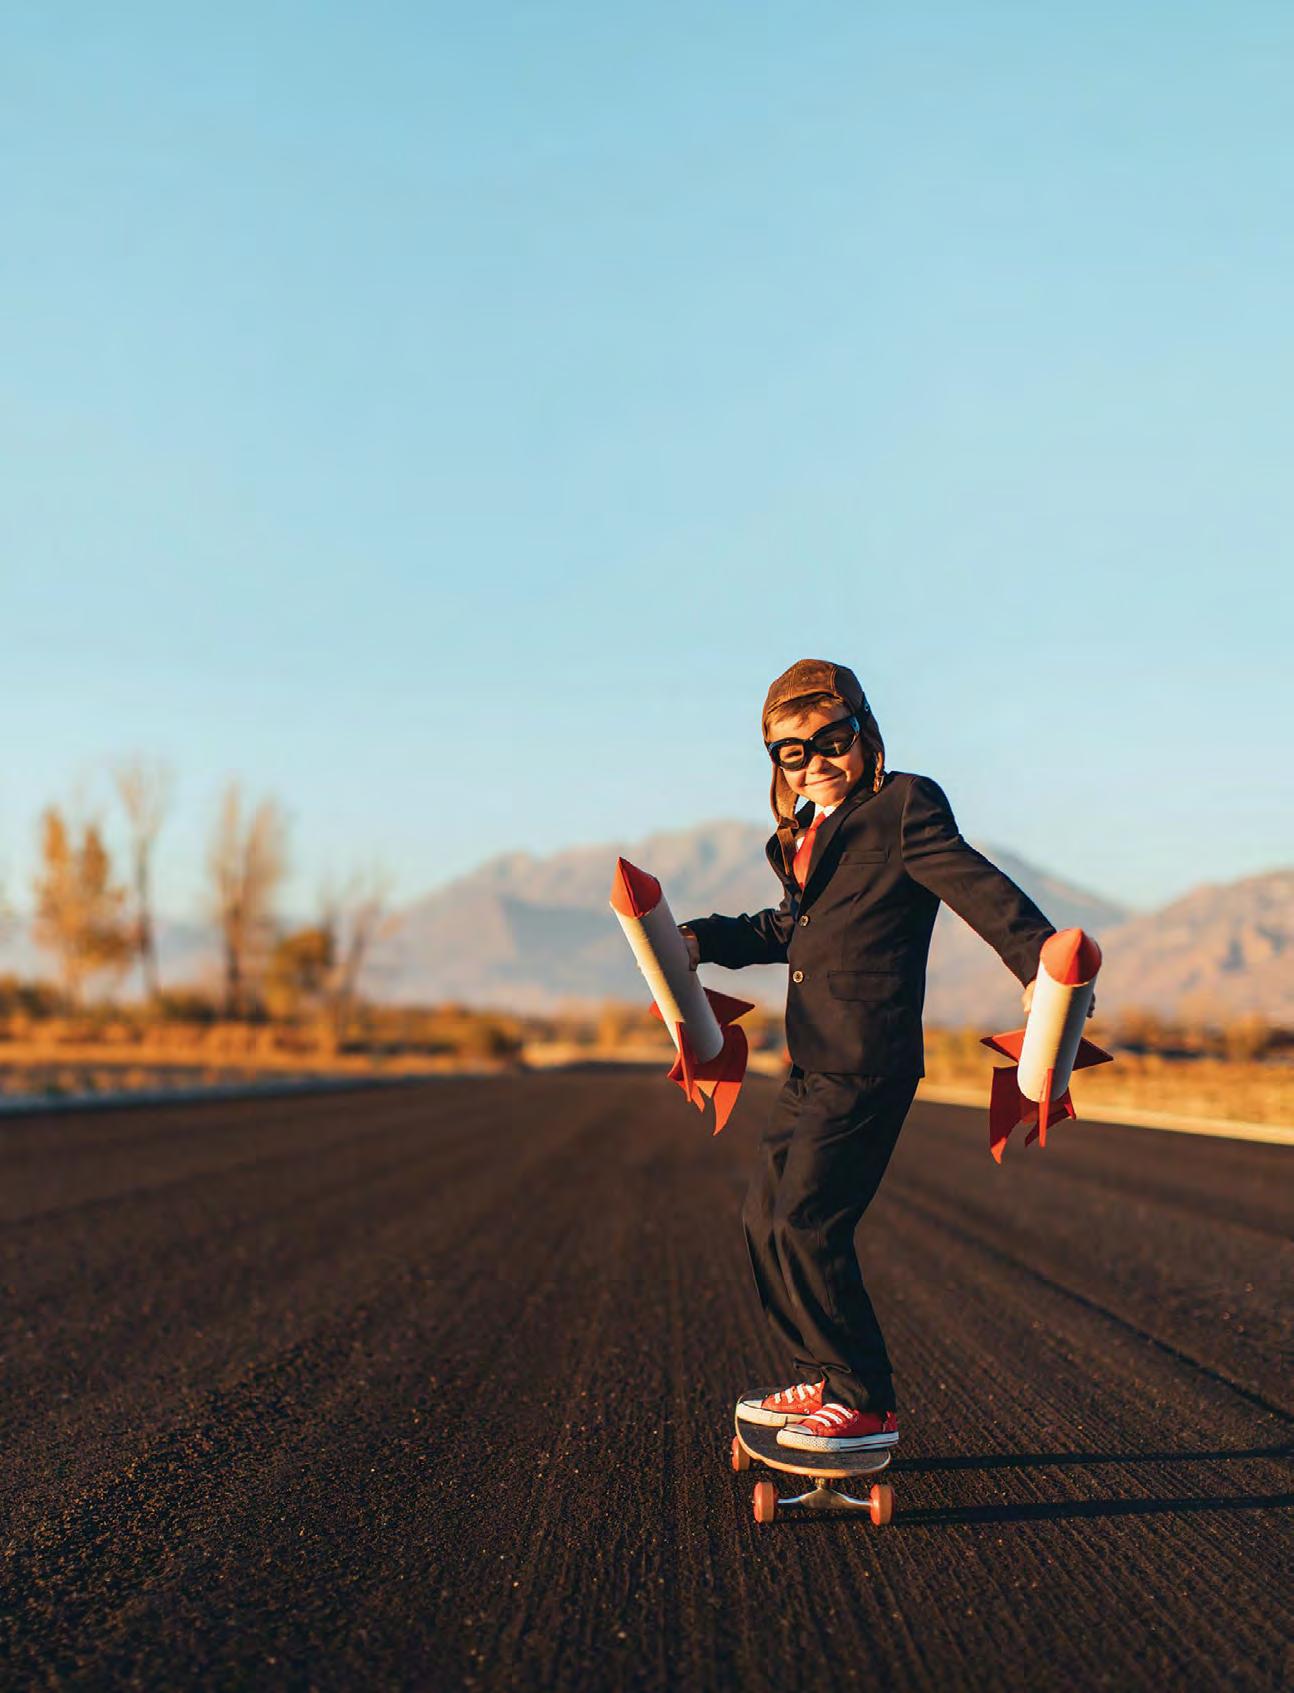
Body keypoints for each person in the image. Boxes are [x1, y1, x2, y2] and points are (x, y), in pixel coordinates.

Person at [678, 658, 1059, 1454]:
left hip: (868, 1058)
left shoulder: (903, 807)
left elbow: (976, 885)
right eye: (793, 751)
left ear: (865, 733)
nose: (816, 760)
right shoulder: (805, 835)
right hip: (811, 1060)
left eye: (833, 738)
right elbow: (789, 930)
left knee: (810, 1221)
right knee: (764, 1219)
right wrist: (701, 940)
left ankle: (864, 1400)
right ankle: (820, 1376)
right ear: (776, 763)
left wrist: (1038, 964)